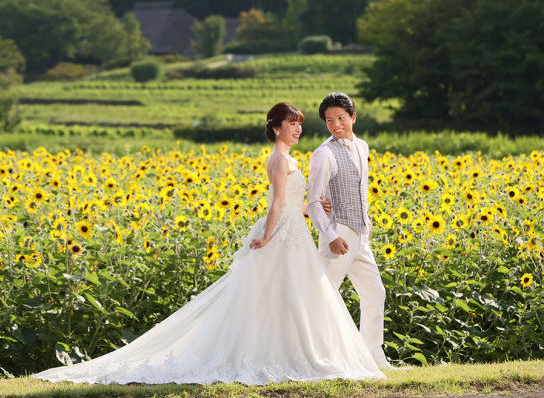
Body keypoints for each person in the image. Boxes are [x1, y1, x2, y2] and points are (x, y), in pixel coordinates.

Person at [33, 102, 386, 385]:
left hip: (297, 232)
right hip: (283, 233)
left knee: (291, 296)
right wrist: (265, 235)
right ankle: (273, 354)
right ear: (276, 128)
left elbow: (298, 199)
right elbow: (277, 203)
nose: (298, 128)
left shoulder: (293, 158)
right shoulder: (279, 159)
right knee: (275, 294)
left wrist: (317, 207)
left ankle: (291, 351)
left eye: (299, 123)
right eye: (292, 123)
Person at [306, 92, 392, 370]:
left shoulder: (363, 147)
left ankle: (374, 359)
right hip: (337, 233)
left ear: (353, 117)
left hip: (360, 234)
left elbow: (360, 186)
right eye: (329, 120)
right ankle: (320, 360)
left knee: (375, 293)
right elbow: (314, 202)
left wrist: (365, 221)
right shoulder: (323, 153)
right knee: (325, 297)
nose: (335, 124)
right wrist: (331, 236)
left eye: (341, 118)